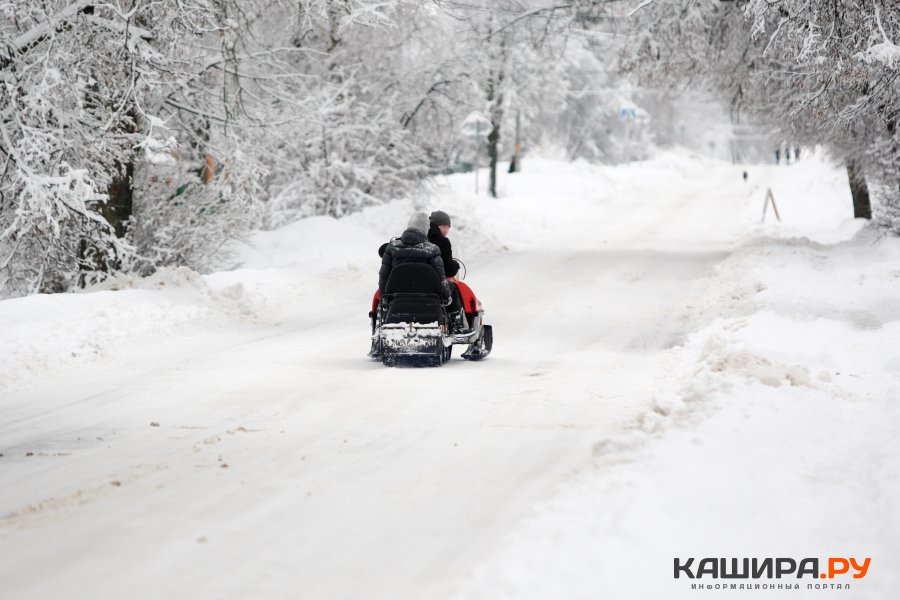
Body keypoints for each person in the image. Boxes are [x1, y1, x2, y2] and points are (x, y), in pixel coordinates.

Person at [378, 212, 451, 303]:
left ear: (409, 225)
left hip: (397, 300)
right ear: (426, 229)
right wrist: (447, 297)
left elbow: (384, 276)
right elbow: (441, 278)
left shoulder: (392, 248)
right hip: (427, 300)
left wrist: (384, 298)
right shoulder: (432, 249)